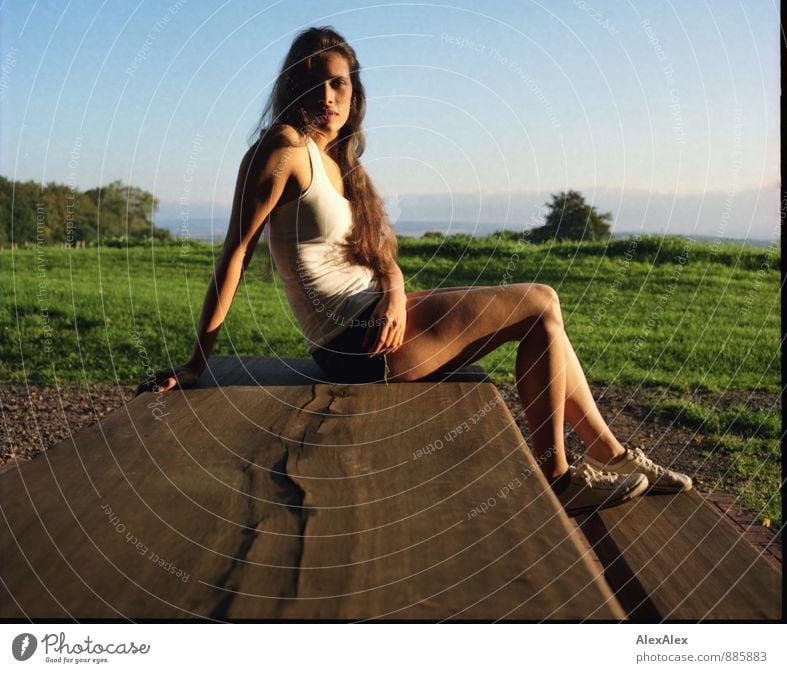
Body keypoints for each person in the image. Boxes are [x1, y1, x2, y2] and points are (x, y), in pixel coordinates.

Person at [136, 25, 691, 515]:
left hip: (380, 316)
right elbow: (236, 251)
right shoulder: (284, 149)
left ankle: (612, 458)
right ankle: (562, 479)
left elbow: (381, 261)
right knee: (541, 300)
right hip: (352, 343)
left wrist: (397, 293)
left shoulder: (340, 163)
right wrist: (194, 364)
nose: (329, 97)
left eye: (340, 84)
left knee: (546, 320)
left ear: (355, 95)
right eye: (316, 83)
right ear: (292, 88)